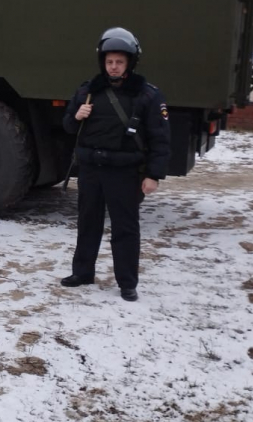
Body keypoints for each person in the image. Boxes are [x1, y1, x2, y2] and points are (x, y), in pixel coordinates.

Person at [60, 27, 171, 302]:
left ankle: (127, 283)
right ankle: (83, 272)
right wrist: (77, 115)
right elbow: (67, 126)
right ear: (103, 62)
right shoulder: (88, 91)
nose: (113, 67)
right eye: (109, 62)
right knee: (88, 224)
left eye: (119, 62)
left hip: (124, 171)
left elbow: (160, 138)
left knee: (125, 227)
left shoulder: (147, 95)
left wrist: (153, 175)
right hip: (91, 170)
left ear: (130, 63)